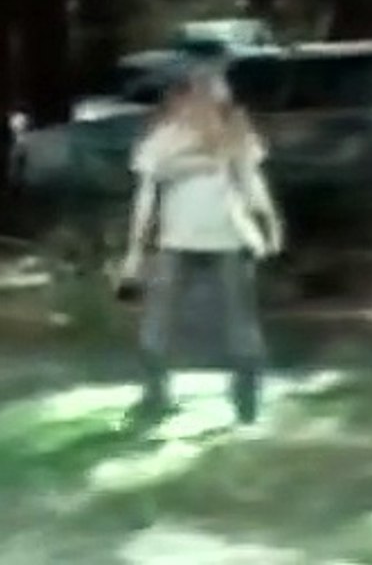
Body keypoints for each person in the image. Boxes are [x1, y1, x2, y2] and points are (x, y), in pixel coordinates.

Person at [118, 66, 283, 427]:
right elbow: (145, 197)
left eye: (216, 98)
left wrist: (270, 223)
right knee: (159, 321)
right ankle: (155, 394)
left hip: (230, 239)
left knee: (240, 322)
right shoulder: (163, 139)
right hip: (177, 241)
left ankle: (246, 398)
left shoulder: (236, 135)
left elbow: (252, 182)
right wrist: (135, 250)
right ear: (185, 99)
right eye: (201, 96)